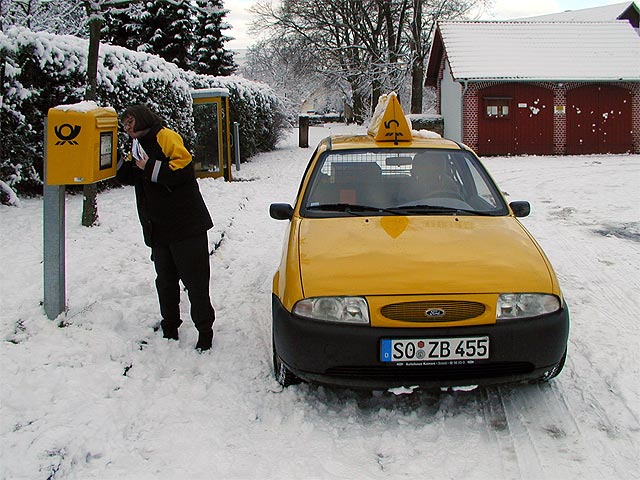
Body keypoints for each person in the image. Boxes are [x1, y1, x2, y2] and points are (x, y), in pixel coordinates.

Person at [117, 104, 215, 351]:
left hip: (186, 225)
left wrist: (146, 167)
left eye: (130, 122)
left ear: (141, 119)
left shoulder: (165, 136)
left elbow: (182, 169)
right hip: (157, 227)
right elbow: (131, 176)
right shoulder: (137, 145)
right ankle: (170, 325)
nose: (127, 128)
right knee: (166, 281)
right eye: (124, 124)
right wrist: (114, 162)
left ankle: (205, 331)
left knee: (196, 282)